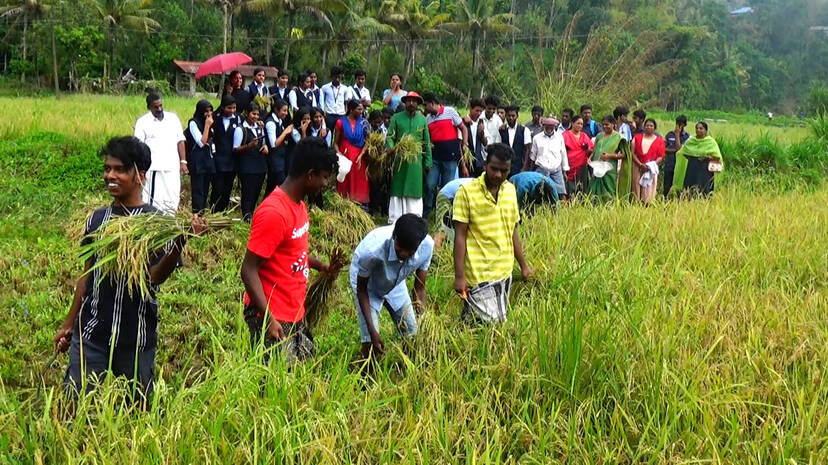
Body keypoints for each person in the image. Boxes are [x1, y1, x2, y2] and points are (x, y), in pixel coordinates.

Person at [54, 136, 207, 405]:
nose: (110, 176)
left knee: (138, 409)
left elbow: (154, 277)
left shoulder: (156, 224)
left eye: (120, 169)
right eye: (107, 169)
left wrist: (180, 241)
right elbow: (86, 276)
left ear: (140, 175)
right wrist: (69, 324)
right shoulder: (97, 220)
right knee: (74, 403)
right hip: (91, 333)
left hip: (135, 337)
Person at [240, 137, 337, 363]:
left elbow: (292, 252)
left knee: (302, 370)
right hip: (272, 313)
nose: (325, 184)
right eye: (324, 177)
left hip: (294, 308)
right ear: (310, 175)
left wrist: (319, 265)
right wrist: (268, 319)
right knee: (275, 379)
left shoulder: (299, 206)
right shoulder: (274, 213)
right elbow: (248, 270)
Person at [452, 143, 532, 324]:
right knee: (490, 325)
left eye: (504, 171)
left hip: (504, 271)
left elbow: (512, 231)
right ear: (485, 164)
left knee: (488, 325)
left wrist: (524, 266)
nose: (498, 175)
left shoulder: (510, 191)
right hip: (479, 274)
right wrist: (459, 276)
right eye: (494, 169)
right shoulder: (466, 193)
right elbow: (460, 236)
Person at [351, 214, 433, 359]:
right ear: (394, 236)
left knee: (412, 335)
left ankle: (408, 367)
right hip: (368, 284)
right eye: (399, 249)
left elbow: (419, 289)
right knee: (371, 345)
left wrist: (424, 324)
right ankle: (366, 369)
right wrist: (373, 332)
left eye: (410, 252)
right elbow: (362, 290)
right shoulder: (371, 251)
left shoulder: (426, 246)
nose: (404, 254)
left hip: (396, 282)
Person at [133, 93, 187, 214]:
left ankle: (170, 220)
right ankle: (154, 221)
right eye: (156, 107)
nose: (159, 109)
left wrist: (183, 161)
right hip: (154, 169)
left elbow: (180, 141)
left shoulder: (173, 119)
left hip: (172, 167)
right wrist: (140, 168)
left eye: (161, 105)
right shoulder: (143, 122)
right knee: (154, 200)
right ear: (149, 107)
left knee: (173, 197)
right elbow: (138, 146)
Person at [385, 91, 432, 223]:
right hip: (399, 159)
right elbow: (390, 136)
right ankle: (395, 219)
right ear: (405, 102)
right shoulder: (396, 118)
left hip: (416, 161)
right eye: (409, 101)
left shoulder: (422, 120)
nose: (411, 103)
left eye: (414, 101)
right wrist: (391, 147)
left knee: (414, 188)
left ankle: (414, 219)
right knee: (397, 187)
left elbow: (426, 142)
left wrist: (428, 162)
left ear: (418, 104)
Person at [423, 92, 469, 218]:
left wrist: (465, 143)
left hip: (450, 157)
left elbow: (463, 128)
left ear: (433, 103)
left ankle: (444, 215)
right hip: (435, 158)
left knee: (446, 188)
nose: (424, 108)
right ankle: (426, 214)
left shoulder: (450, 111)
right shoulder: (428, 119)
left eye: (426, 105)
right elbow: (429, 138)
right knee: (430, 185)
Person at [234, 102, 269, 221]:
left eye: (257, 114)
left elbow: (263, 142)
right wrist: (249, 146)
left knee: (256, 192)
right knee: (248, 192)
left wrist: (265, 146)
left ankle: (252, 213)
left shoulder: (259, 127)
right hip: (247, 166)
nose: (255, 117)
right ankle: (246, 215)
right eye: (253, 114)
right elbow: (235, 149)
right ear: (246, 113)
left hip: (260, 165)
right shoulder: (240, 129)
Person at [670, 121, 723, 197]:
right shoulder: (691, 141)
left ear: (706, 130)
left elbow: (717, 157)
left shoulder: (710, 142)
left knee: (704, 190)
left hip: (705, 170)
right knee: (690, 189)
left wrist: (707, 157)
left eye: (701, 128)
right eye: (697, 128)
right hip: (692, 168)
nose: (698, 130)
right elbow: (682, 152)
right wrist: (693, 156)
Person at [334, 99, 371, 207]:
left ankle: (359, 206)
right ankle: (344, 205)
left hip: (358, 158)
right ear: (351, 110)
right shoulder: (340, 122)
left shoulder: (364, 123)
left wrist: (361, 155)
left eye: (362, 109)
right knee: (345, 181)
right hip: (345, 159)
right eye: (359, 109)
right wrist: (340, 156)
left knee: (359, 182)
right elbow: (335, 143)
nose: (361, 112)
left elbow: (368, 141)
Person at [589, 115, 632, 201]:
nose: (605, 126)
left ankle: (609, 206)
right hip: (597, 167)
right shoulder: (599, 136)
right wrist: (590, 158)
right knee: (595, 191)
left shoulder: (619, 137)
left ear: (613, 124)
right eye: (603, 125)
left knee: (609, 190)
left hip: (609, 168)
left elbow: (624, 155)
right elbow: (595, 149)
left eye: (607, 124)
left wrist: (609, 156)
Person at [184, 99, 215, 214]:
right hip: (197, 161)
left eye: (210, 111)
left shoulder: (211, 122)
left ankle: (202, 214)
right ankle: (197, 215)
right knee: (198, 190)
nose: (209, 114)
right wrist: (207, 126)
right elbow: (202, 142)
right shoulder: (193, 123)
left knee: (205, 190)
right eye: (206, 111)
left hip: (207, 160)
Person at [210, 95, 241, 212]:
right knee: (217, 187)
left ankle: (224, 211)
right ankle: (214, 210)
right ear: (223, 107)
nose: (232, 110)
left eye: (234, 108)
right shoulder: (215, 118)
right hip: (218, 159)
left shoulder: (237, 119)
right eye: (229, 108)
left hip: (231, 160)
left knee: (227, 188)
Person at [526, 117, 568, 197]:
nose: (549, 128)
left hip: (556, 170)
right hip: (541, 169)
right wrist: (531, 171)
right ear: (543, 126)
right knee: (541, 193)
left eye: (551, 126)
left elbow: (563, 153)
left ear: (554, 127)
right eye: (547, 126)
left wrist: (564, 171)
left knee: (561, 193)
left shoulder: (559, 137)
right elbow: (533, 156)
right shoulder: (537, 138)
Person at [264, 99, 294, 196]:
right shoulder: (271, 123)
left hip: (280, 159)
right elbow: (274, 144)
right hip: (274, 161)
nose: (286, 113)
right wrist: (285, 132)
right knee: (283, 187)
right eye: (284, 110)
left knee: (271, 188)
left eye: (287, 110)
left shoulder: (280, 121)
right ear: (276, 110)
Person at [631, 118, 665, 204]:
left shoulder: (660, 141)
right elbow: (632, 153)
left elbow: (660, 156)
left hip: (651, 169)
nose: (649, 127)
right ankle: (636, 204)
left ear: (654, 128)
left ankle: (647, 204)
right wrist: (640, 164)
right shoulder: (637, 138)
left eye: (651, 126)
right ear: (644, 127)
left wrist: (650, 165)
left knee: (649, 189)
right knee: (636, 187)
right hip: (638, 166)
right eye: (647, 125)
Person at [562, 115, 594, 196]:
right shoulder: (565, 135)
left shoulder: (584, 136)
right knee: (569, 189)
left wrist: (587, 150)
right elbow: (561, 151)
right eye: (578, 123)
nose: (580, 126)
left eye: (581, 124)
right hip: (569, 167)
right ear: (572, 123)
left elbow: (592, 149)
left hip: (582, 167)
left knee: (582, 189)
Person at [499, 105, 532, 177]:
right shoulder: (502, 130)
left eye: (513, 116)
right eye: (509, 116)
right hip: (504, 166)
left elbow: (527, 150)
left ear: (517, 116)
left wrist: (524, 167)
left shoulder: (524, 130)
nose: (511, 118)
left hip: (519, 166)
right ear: (506, 116)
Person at [663, 114, 690, 197]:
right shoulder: (669, 134)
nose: (678, 126)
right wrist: (674, 151)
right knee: (667, 185)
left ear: (685, 125)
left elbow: (679, 149)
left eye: (681, 124)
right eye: (677, 124)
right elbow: (663, 149)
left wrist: (677, 135)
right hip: (669, 164)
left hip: (680, 166)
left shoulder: (687, 137)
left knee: (679, 186)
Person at [463, 98, 487, 176]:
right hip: (467, 161)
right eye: (477, 110)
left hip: (478, 162)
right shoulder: (463, 122)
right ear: (471, 109)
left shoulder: (481, 122)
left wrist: (482, 133)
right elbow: (460, 145)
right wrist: (463, 166)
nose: (479, 113)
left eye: (481, 111)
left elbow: (485, 143)